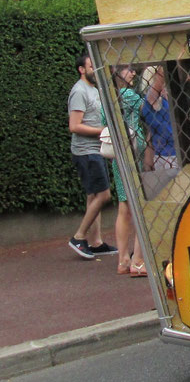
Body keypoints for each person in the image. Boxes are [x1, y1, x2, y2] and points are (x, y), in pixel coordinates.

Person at [67, 54, 118, 259]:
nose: (94, 69)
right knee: (104, 195)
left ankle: (95, 242)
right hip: (86, 152)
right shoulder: (79, 91)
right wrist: (103, 131)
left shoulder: (94, 89)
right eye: (91, 66)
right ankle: (78, 237)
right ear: (81, 69)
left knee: (93, 196)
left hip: (94, 150)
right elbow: (74, 126)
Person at [108, 65, 148, 277]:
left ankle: (123, 259)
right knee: (138, 204)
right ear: (116, 73)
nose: (132, 73)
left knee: (124, 206)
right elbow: (148, 107)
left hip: (120, 156)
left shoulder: (108, 97)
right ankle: (138, 260)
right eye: (127, 70)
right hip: (134, 156)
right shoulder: (128, 94)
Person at [141, 66, 177, 171]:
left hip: (168, 152)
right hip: (168, 155)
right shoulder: (151, 99)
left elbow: (150, 133)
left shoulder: (163, 98)